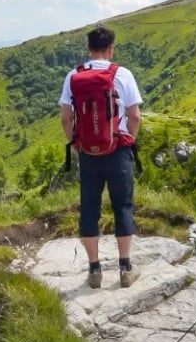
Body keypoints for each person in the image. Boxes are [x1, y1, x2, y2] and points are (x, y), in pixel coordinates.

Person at [61, 25, 144, 288]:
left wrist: (76, 143)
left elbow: (66, 118)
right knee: (123, 206)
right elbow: (135, 116)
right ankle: (125, 268)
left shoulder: (74, 76)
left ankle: (94, 270)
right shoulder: (123, 74)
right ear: (111, 49)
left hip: (88, 152)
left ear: (88, 49)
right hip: (118, 150)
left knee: (89, 208)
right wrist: (129, 139)